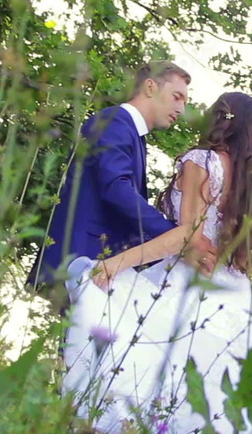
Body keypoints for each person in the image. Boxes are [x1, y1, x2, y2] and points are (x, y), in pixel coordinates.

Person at [62, 92, 252, 434]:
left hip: (186, 287)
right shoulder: (251, 182)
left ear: (217, 118)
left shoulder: (200, 160)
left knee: (139, 370)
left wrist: (117, 263)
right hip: (233, 298)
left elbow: (188, 235)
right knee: (211, 401)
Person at [26, 60, 217, 294]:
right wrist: (177, 237)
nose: (181, 109)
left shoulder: (131, 133)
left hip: (101, 264)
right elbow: (116, 189)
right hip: (81, 259)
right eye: (177, 96)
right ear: (150, 87)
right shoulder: (114, 122)